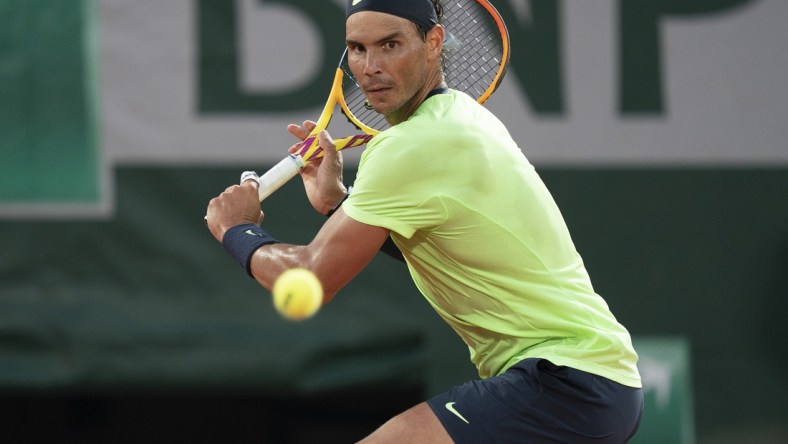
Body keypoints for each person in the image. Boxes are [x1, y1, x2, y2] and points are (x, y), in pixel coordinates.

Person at [205, 0, 643, 442]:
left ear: (433, 42)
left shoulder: (411, 146)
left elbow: (308, 281)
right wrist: (339, 202)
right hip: (596, 386)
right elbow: (455, 244)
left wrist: (237, 229)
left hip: (563, 383)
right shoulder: (464, 116)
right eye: (357, 49)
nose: (371, 66)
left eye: (390, 44)